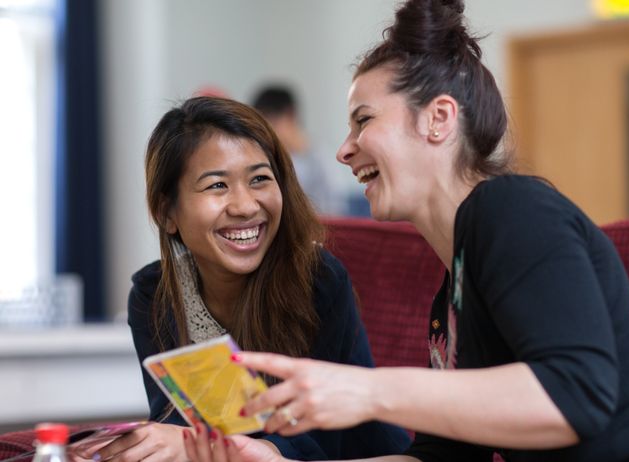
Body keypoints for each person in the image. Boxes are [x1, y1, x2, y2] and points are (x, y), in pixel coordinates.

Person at [183, 0, 629, 461]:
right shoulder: (452, 295)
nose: (345, 149)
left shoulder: (512, 209)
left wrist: (369, 390)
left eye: (363, 121)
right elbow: (440, 459)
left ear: (438, 119)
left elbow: (576, 392)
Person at [76, 96, 409, 462]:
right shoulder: (153, 295)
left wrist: (224, 448)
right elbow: (173, 419)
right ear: (166, 212)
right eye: (217, 186)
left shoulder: (318, 281)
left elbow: (324, 439)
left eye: (260, 179)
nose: (246, 206)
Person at [252, 85, 344, 216]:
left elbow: (335, 209)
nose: (266, 133)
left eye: (271, 123)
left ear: (290, 115)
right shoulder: (268, 157)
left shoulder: (320, 158)